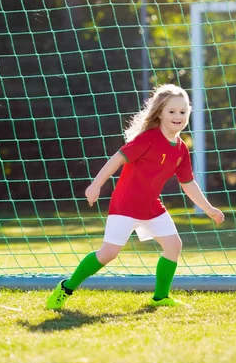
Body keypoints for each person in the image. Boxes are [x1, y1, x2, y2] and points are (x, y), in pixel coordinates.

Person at [46, 84, 225, 309]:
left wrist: (208, 208)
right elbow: (117, 159)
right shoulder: (148, 139)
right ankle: (66, 287)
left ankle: (160, 297)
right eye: (171, 111)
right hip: (125, 204)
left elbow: (187, 182)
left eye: (182, 112)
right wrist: (95, 185)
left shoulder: (180, 149)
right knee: (109, 253)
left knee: (173, 246)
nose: (177, 116)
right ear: (159, 113)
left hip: (151, 207)